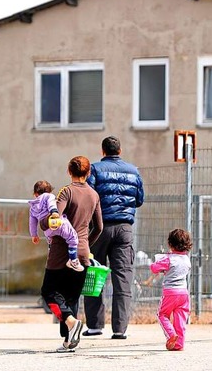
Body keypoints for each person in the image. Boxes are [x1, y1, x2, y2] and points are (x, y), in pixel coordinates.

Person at [83, 135, 145, 340]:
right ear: (120, 151)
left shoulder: (95, 169)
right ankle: (120, 329)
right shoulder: (134, 170)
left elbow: (89, 196)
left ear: (103, 151)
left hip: (99, 228)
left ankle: (94, 326)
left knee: (94, 273)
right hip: (124, 228)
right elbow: (139, 200)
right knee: (123, 277)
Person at [40, 156, 103, 353]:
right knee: (72, 297)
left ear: (69, 171)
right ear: (89, 173)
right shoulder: (94, 195)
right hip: (82, 253)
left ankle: (70, 322)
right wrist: (85, 245)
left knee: (48, 292)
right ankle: (69, 341)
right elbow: (99, 227)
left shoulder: (66, 191)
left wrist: (42, 222)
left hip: (60, 253)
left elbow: (54, 219)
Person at [150, 228, 192, 351]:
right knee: (181, 319)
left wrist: (159, 262)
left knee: (162, 314)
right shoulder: (187, 259)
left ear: (170, 244)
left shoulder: (168, 259)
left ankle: (171, 334)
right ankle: (179, 344)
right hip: (184, 293)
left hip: (170, 292)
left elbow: (154, 268)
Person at [28, 180, 83, 272]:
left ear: (35, 194)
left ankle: (50, 252)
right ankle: (73, 260)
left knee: (51, 242)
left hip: (48, 230)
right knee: (72, 237)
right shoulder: (48, 196)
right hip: (57, 223)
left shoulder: (33, 207)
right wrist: (54, 212)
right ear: (49, 191)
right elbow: (51, 204)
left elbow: (32, 222)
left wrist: (34, 235)